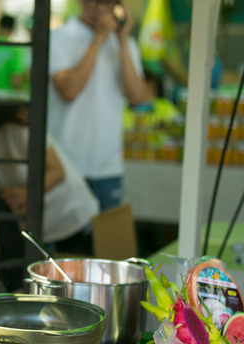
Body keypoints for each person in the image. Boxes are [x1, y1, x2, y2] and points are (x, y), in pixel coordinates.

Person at [48, 0, 147, 211]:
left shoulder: (125, 44)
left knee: (106, 242)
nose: (103, 9)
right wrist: (98, 39)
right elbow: (69, 90)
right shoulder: (60, 37)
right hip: (66, 164)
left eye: (111, 3)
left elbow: (137, 96)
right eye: (98, 2)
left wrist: (121, 40)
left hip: (108, 167)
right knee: (65, 240)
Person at [0, 107, 100, 256]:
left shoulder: (16, 132)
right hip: (37, 229)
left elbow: (57, 172)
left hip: (70, 216)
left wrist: (25, 193)